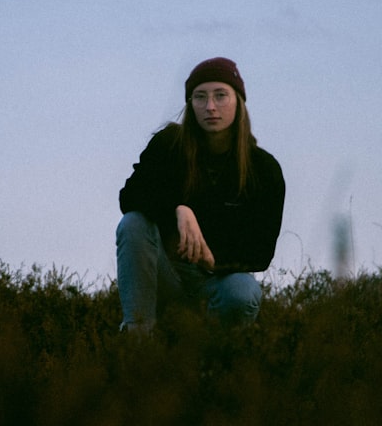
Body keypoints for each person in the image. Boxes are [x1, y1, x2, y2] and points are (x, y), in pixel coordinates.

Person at [116, 57, 285, 332]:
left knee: (244, 292)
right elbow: (130, 198)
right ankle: (138, 337)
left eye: (221, 96)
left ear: (239, 101)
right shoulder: (168, 145)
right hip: (166, 276)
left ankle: (216, 354)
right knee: (133, 223)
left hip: (217, 283)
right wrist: (178, 209)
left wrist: (213, 260)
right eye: (200, 97)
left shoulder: (263, 169)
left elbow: (261, 251)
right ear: (190, 103)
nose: (210, 107)